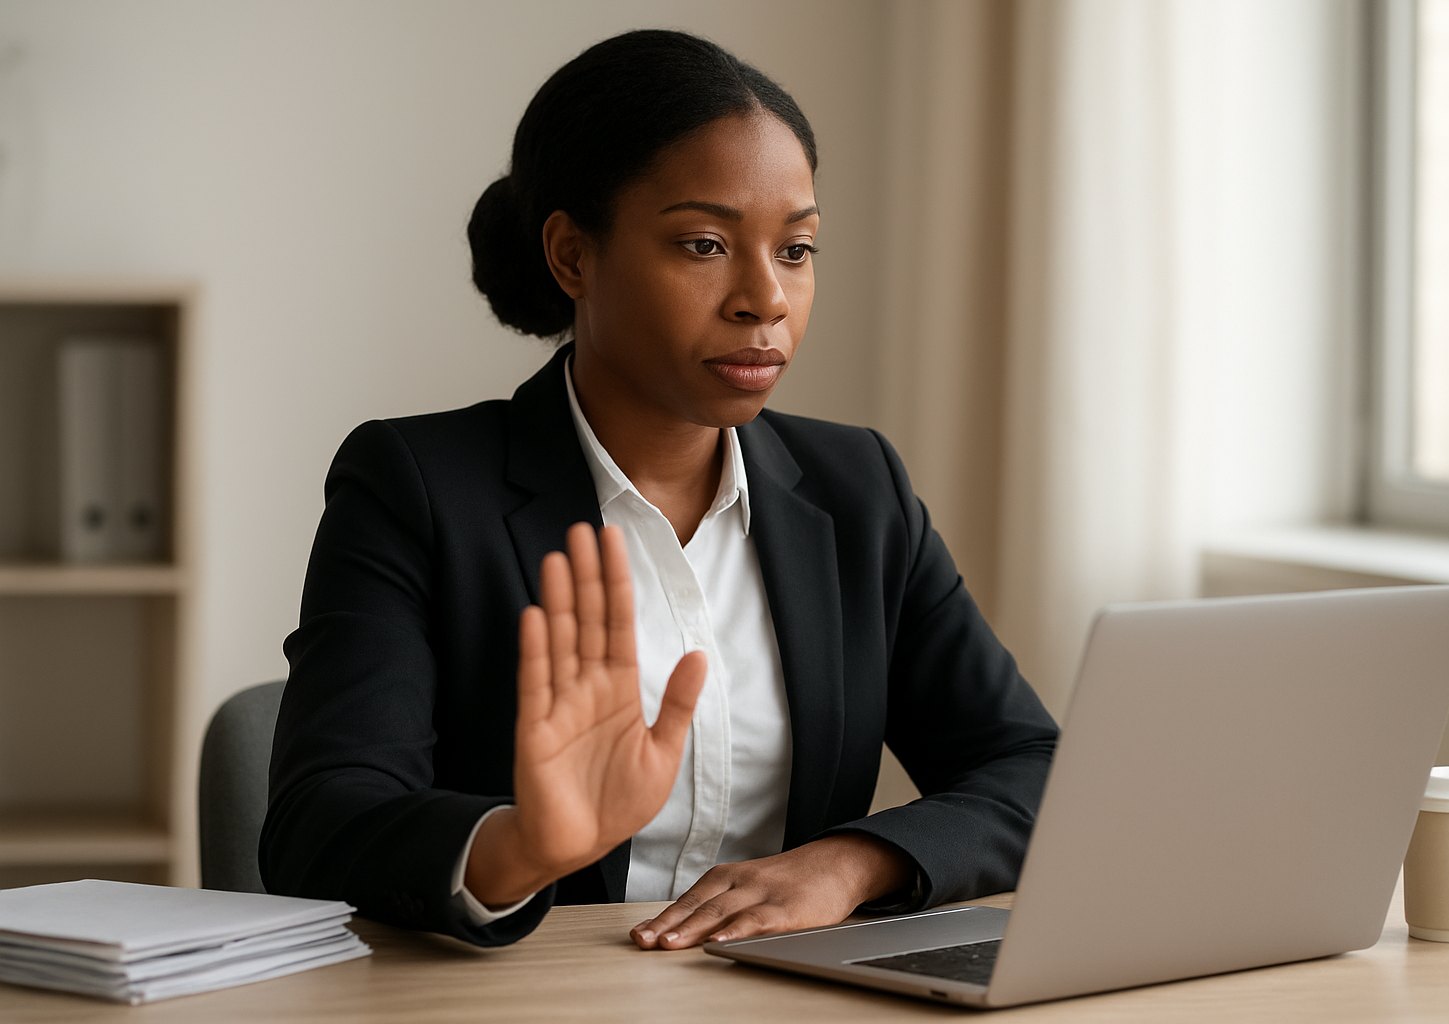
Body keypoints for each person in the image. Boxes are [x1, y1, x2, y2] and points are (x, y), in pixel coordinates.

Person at [260, 28, 1058, 950]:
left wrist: (847, 864)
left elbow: (1033, 766)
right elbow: (315, 829)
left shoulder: (857, 490)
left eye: (795, 250)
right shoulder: (418, 487)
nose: (764, 298)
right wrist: (518, 847)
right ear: (572, 256)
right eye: (705, 243)